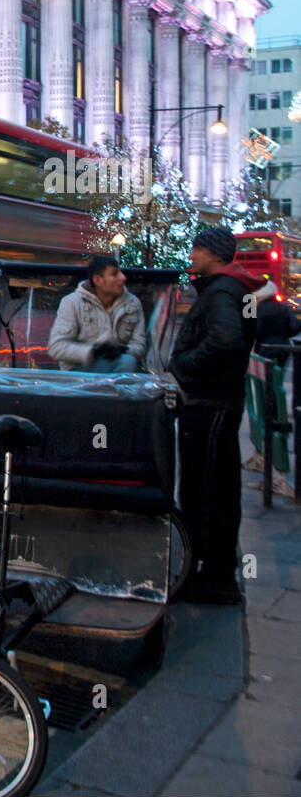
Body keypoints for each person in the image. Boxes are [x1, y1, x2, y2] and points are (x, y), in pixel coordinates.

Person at [171, 226, 266, 605]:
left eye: (196, 249)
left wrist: (185, 365)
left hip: (209, 405)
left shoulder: (223, 291)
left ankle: (210, 575)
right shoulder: (239, 289)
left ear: (212, 253)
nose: (191, 255)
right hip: (222, 403)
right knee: (220, 486)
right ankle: (216, 569)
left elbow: (227, 340)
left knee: (204, 488)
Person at [47, 255, 147, 372]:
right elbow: (56, 347)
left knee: (128, 361)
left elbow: (139, 345)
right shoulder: (72, 302)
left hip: (119, 367)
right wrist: (93, 352)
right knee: (127, 362)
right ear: (98, 280)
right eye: (115, 274)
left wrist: (122, 350)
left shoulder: (133, 303)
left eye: (121, 272)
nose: (123, 278)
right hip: (80, 371)